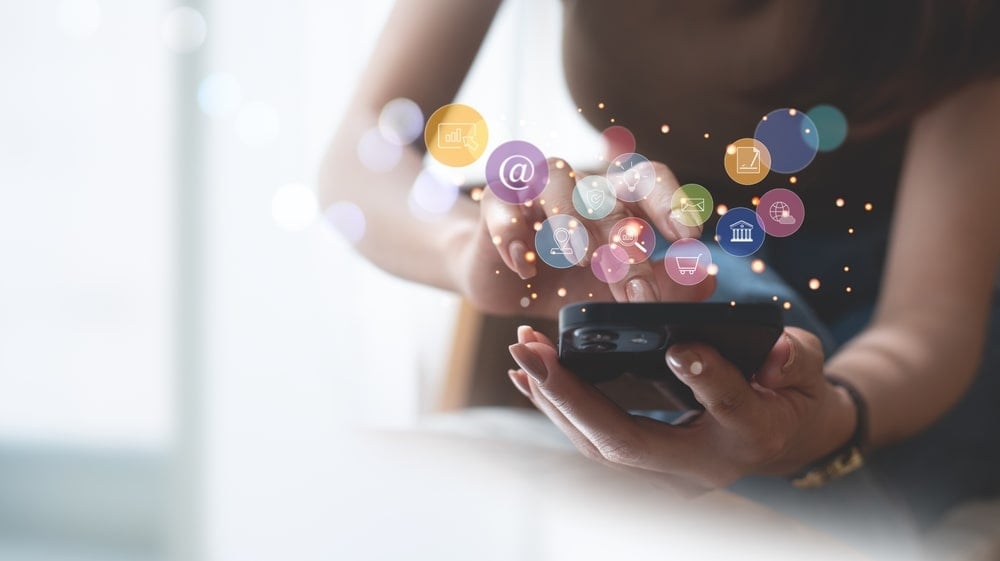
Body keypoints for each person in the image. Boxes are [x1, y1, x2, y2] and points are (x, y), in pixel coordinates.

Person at [320, 0, 1000, 551]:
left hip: (907, 377)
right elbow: (358, 156)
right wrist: (463, 250)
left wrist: (827, 423)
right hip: (692, 289)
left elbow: (930, 322)